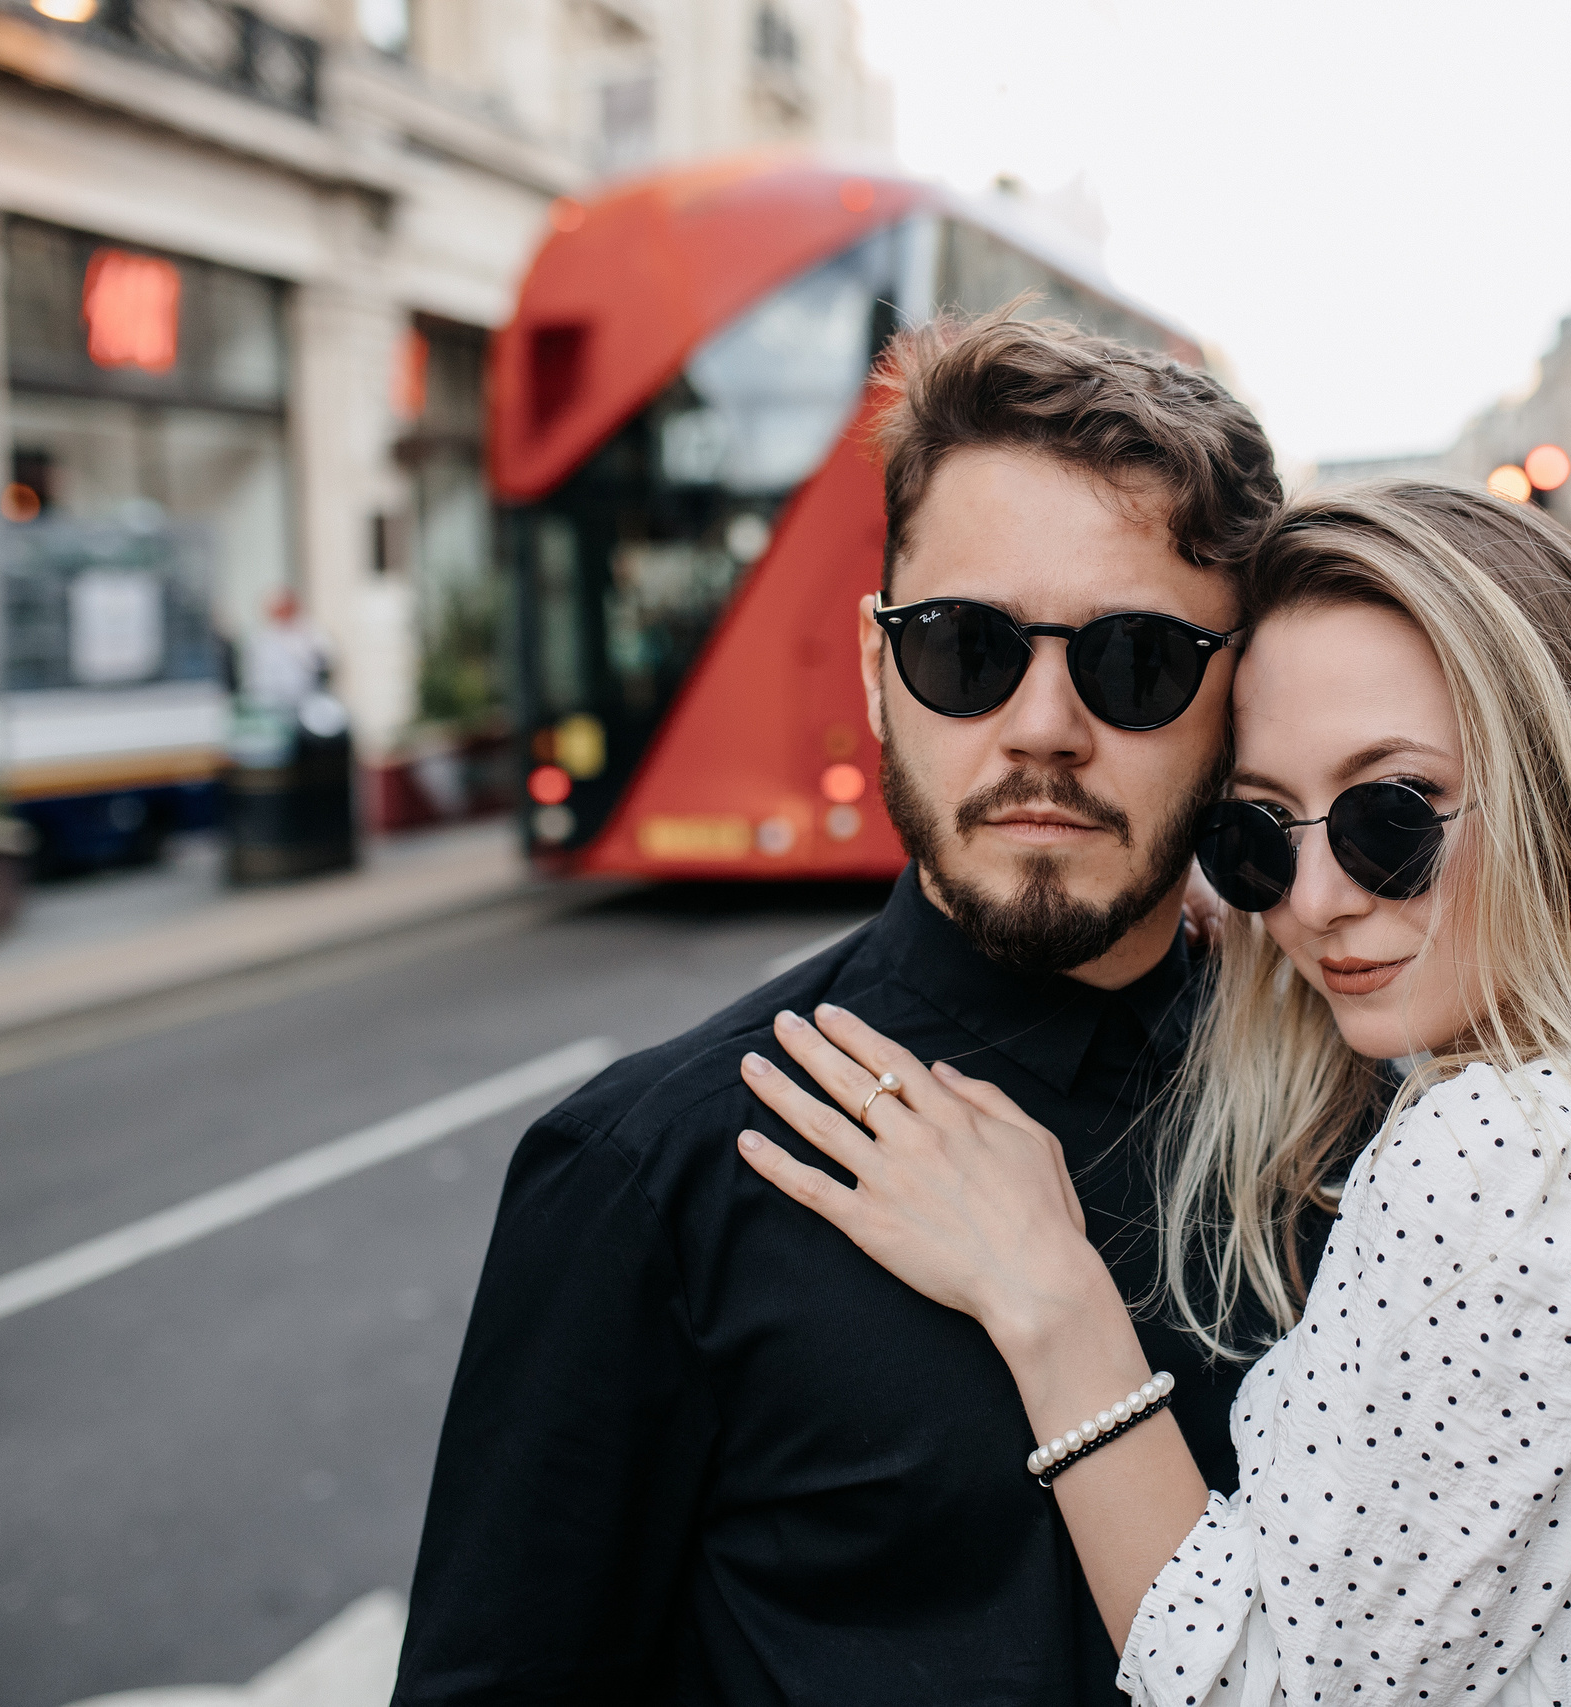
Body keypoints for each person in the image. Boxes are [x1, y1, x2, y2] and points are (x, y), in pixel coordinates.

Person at [737, 481, 1571, 1703]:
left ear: (1568, 785)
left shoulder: (1501, 1155)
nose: (1314, 900)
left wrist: (1050, 1300)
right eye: (1255, 837)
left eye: (1388, 819)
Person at [390, 312, 1284, 1704]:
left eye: (1138, 662)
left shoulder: (1362, 1124)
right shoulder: (651, 1174)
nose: (1044, 723)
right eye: (965, 647)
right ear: (878, 676)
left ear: (1239, 706)